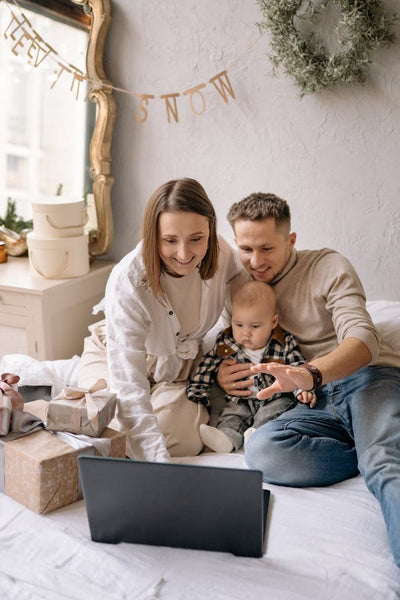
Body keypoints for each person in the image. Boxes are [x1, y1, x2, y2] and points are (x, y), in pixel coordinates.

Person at [217, 192, 400, 567]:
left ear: (291, 240)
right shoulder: (239, 286)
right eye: (246, 249)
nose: (255, 261)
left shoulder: (328, 266)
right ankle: (370, 445)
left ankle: (378, 451)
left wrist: (310, 373)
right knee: (264, 450)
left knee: (382, 463)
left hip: (365, 378)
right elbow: (229, 341)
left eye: (267, 248)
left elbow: (364, 341)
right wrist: (222, 368)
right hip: (310, 401)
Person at [78, 178, 247, 463]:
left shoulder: (221, 254)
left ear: (210, 230)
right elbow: (128, 383)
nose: (184, 254)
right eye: (170, 240)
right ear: (153, 235)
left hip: (180, 366)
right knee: (112, 429)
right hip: (114, 356)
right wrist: (159, 467)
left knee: (180, 439)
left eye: (196, 238)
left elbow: (244, 303)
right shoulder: (128, 279)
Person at [187, 280, 315, 452]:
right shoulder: (227, 342)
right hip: (242, 398)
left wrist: (302, 390)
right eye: (238, 325)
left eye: (255, 326)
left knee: (274, 412)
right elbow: (208, 365)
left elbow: (297, 368)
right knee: (232, 414)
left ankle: (257, 435)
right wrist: (198, 390)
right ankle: (226, 438)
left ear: (273, 322)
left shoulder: (284, 343)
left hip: (274, 397)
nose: (245, 332)